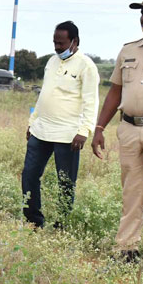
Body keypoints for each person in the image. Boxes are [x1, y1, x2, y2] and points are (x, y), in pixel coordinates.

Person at [92, 0, 143, 265]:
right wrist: (100, 126)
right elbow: (115, 91)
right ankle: (126, 251)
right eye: (142, 12)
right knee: (131, 193)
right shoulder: (128, 50)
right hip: (129, 129)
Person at [21, 21, 99, 228]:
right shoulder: (51, 62)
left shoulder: (86, 66)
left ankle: (62, 224)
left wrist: (84, 131)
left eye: (61, 43)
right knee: (29, 175)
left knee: (65, 182)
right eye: (55, 42)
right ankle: (33, 221)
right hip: (41, 130)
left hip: (68, 135)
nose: (57, 47)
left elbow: (91, 101)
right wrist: (32, 121)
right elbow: (44, 95)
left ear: (75, 41)